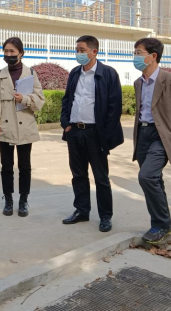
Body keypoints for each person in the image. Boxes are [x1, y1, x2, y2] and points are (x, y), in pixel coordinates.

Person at [132, 38, 171, 243]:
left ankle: (161, 224)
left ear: (153, 56)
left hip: (162, 136)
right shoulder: (138, 83)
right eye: (135, 53)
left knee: (147, 176)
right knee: (155, 179)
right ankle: (162, 222)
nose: (135, 57)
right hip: (143, 135)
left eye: (139, 53)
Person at [60, 35, 123, 233]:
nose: (78, 53)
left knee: (101, 177)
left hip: (96, 134)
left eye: (82, 50)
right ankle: (81, 210)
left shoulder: (108, 73)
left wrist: (106, 135)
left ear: (94, 51)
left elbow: (115, 107)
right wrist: (65, 123)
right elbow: (67, 99)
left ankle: (105, 216)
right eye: (77, 50)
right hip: (74, 132)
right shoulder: (75, 73)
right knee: (78, 175)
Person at [0, 37, 45, 217]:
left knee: (25, 166)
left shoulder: (31, 74)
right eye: (6, 51)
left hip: (25, 126)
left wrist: (24, 99)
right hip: (5, 126)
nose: (9, 54)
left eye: (12, 51)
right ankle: (8, 200)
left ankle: (23, 200)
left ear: (21, 53)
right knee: (6, 166)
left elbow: (40, 101)